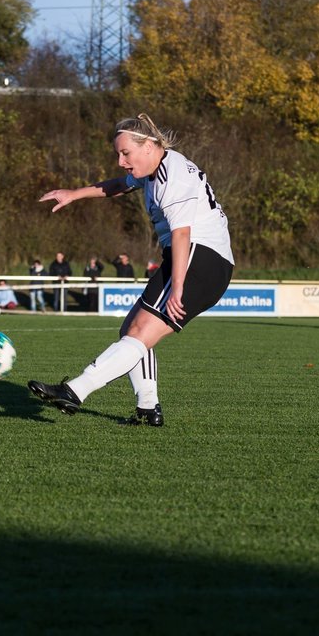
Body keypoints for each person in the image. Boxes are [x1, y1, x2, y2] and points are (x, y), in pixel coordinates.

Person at [28, 113, 234, 427]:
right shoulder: (153, 168)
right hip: (197, 259)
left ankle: (75, 390)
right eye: (118, 154)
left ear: (149, 146)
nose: (121, 161)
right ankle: (148, 408)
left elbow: (182, 233)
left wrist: (178, 286)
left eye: (126, 153)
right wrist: (74, 194)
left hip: (198, 258)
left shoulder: (171, 176)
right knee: (131, 332)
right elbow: (117, 186)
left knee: (138, 334)